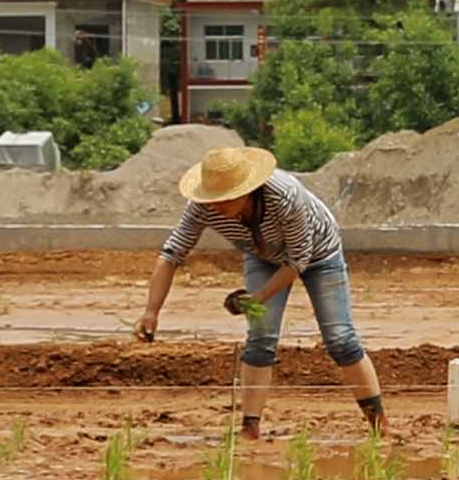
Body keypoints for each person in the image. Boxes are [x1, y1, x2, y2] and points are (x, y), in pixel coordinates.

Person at [130, 140, 390, 439]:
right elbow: (172, 255)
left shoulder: (285, 197)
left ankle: (379, 424)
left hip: (318, 254)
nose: (216, 207)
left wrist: (258, 297)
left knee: (340, 339)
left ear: (246, 191)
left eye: (225, 200)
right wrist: (151, 312)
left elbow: (297, 261)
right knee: (261, 338)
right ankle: (250, 429)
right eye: (212, 199)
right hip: (262, 255)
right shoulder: (203, 206)